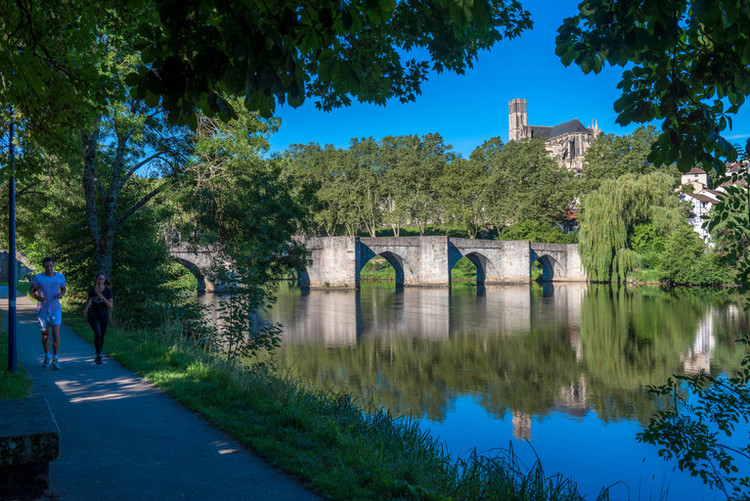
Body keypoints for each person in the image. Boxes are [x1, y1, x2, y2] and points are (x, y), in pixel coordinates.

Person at [30, 257, 66, 370]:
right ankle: (47, 356)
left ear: (53, 265)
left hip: (56, 308)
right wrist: (39, 298)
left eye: (50, 265)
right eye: (46, 266)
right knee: (45, 336)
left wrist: (62, 294)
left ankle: (55, 359)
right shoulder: (38, 278)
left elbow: (63, 289)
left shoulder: (60, 276)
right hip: (43, 309)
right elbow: (31, 292)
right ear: (43, 266)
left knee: (56, 334)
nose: (49, 268)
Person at [83, 272, 113, 365]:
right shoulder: (92, 290)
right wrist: (85, 310)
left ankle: (98, 352)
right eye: (99, 279)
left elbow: (111, 305)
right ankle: (99, 355)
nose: (100, 281)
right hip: (93, 315)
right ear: (96, 280)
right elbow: (88, 300)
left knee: (102, 335)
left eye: (102, 279)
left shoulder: (108, 291)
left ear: (104, 281)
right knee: (98, 334)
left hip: (104, 315)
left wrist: (103, 298)